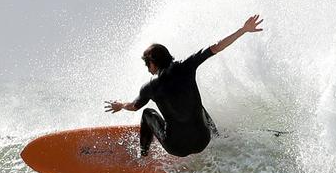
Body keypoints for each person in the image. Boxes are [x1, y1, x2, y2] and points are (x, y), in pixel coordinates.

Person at [105, 14, 264, 157]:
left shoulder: (150, 87)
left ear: (152, 63)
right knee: (199, 107)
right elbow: (216, 47)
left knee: (147, 113)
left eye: (147, 64)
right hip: (202, 140)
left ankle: (143, 154)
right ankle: (218, 138)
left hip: (176, 147)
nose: (148, 68)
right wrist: (243, 30)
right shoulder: (187, 66)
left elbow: (134, 106)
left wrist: (120, 105)